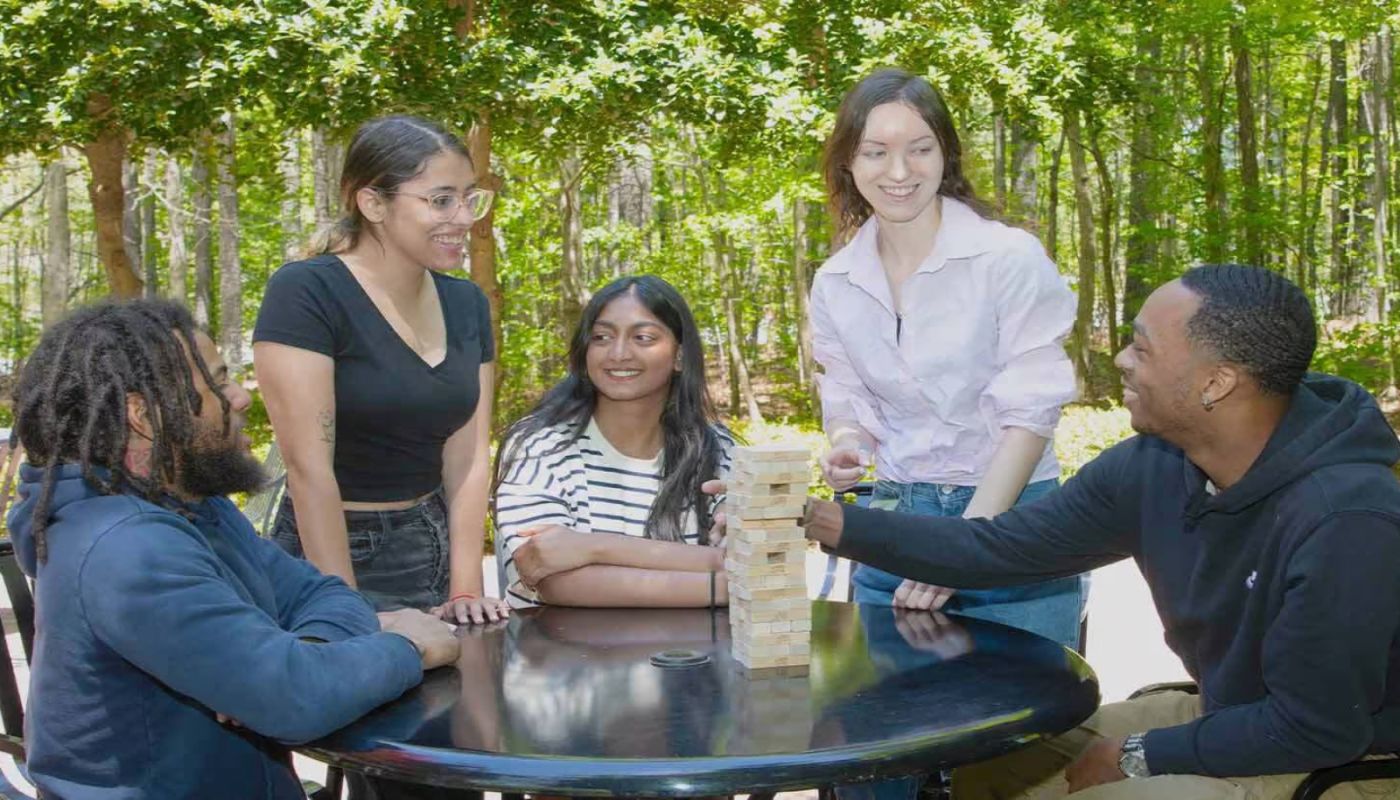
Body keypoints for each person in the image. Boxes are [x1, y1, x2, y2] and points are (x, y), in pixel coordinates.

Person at [802, 265, 1400, 799]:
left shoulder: (1347, 518)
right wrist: (822, 519)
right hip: (1233, 714)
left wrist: (1139, 754)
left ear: (1216, 383)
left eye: (1142, 348)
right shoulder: (1155, 466)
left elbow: (1317, 727)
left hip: (1347, 761)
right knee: (994, 759)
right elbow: (996, 548)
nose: (1120, 359)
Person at [6, 299, 460, 799]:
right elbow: (294, 699)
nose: (241, 397)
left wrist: (302, 659)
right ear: (143, 415)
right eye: (218, 382)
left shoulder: (195, 506)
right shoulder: (125, 548)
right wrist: (409, 648)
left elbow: (320, 595)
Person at [810, 67, 1084, 649]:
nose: (899, 171)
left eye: (920, 149)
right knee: (894, 705)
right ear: (848, 163)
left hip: (1012, 520)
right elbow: (848, 397)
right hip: (897, 522)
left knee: (1029, 705)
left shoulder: (1008, 258)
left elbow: (1031, 414)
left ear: (946, 154)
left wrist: (966, 548)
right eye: (877, 152)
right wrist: (848, 445)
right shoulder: (835, 281)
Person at [254, 114, 508, 625]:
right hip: (327, 554)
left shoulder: (466, 303)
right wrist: (344, 613)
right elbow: (309, 470)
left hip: (429, 543)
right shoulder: (307, 292)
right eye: (441, 200)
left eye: (469, 198)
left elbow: (467, 458)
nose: (464, 218)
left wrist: (465, 589)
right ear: (373, 203)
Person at [493, 275, 733, 608]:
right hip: (556, 641)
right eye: (602, 337)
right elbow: (554, 579)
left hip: (693, 642)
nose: (618, 353)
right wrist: (728, 584)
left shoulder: (717, 448)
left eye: (643, 337)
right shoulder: (540, 447)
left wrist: (592, 547)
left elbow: (758, 554)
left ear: (680, 355)